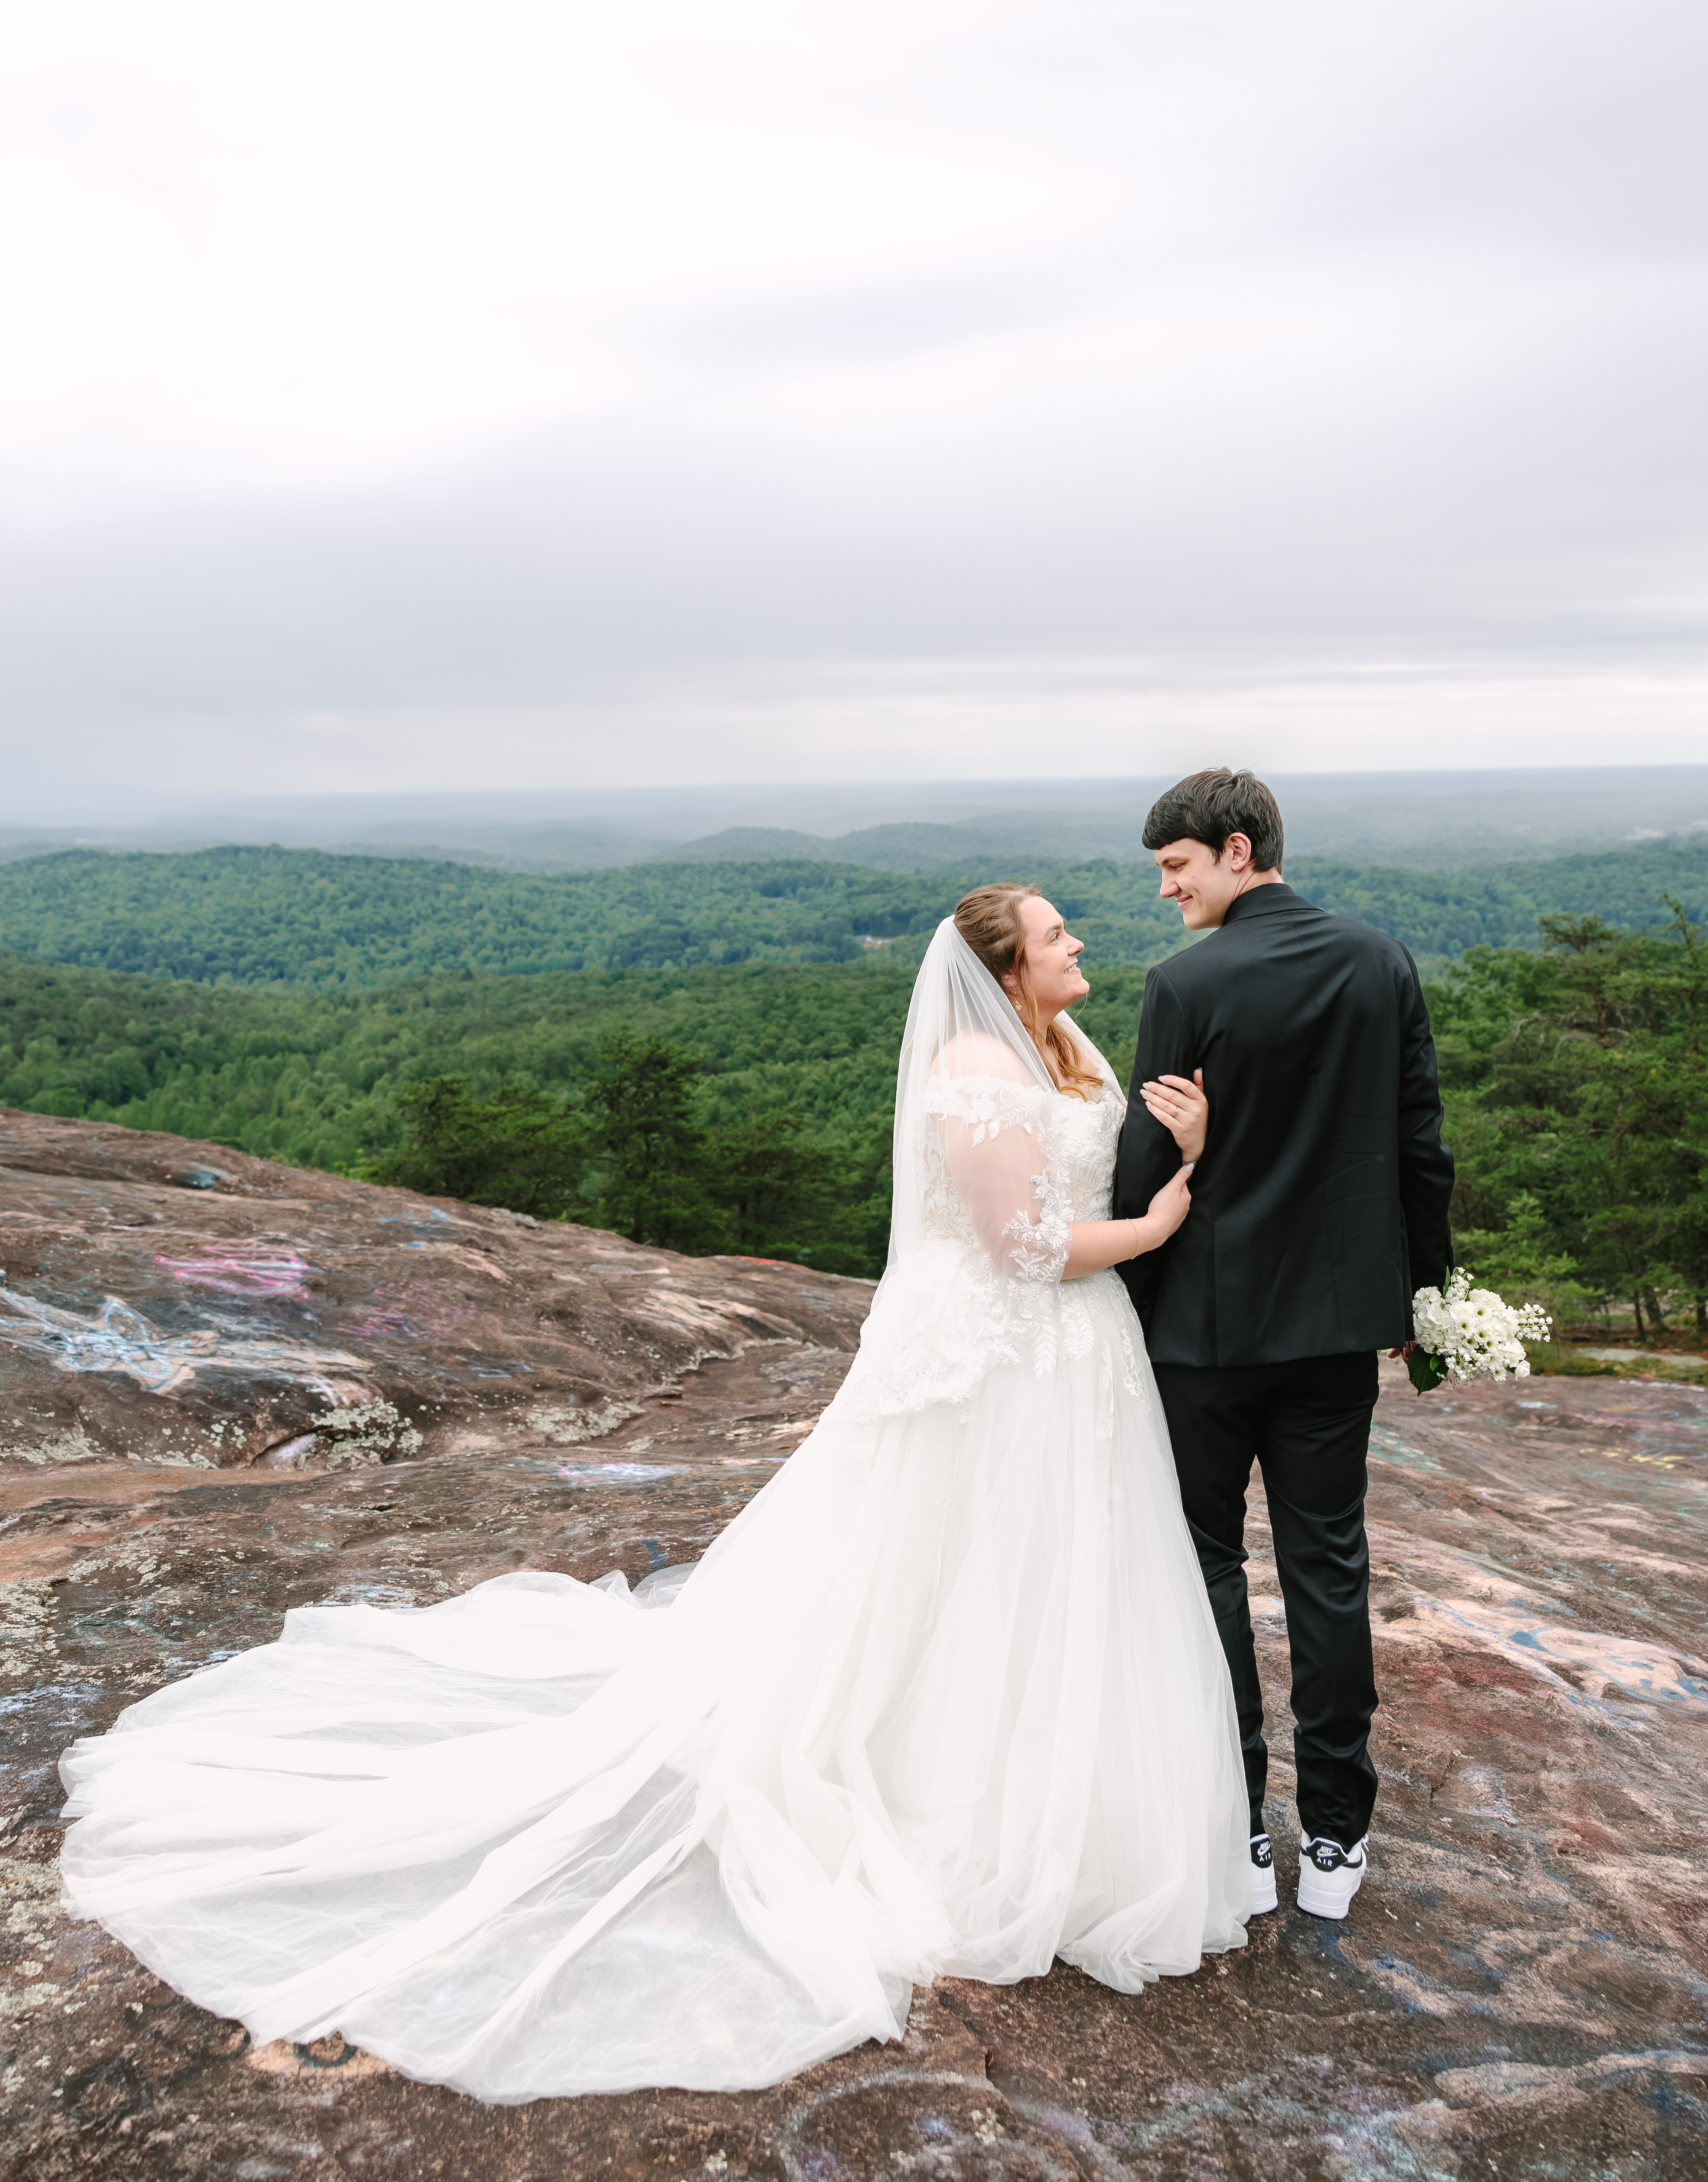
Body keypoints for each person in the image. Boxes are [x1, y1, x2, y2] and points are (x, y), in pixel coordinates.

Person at [58, 887, 1252, 2104]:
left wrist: (1189, 1148)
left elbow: (1095, 1166)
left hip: (1069, 1360)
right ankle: (953, 1791)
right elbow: (1023, 1248)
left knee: (1049, 1568)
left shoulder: (1065, 1047)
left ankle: (1047, 1786)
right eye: (1058, 935)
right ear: (1005, 967)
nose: (1080, 943)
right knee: (950, 1562)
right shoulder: (975, 1068)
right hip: (1000, 1352)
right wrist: (1160, 1225)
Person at [1114, 768, 1455, 1921]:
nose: (1168, 893)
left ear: (1239, 848)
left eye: (1178, 869)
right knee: (1328, 1566)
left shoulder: (1185, 983)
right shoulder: (1380, 963)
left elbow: (1148, 1164)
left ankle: (1237, 1834)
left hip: (1204, 1336)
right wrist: (1426, 1303)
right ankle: (1340, 1842)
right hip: (1336, 1334)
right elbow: (1422, 1148)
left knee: (1206, 1564)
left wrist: (1124, 1302)